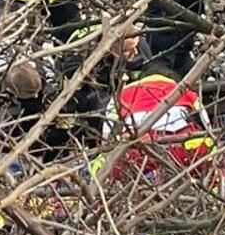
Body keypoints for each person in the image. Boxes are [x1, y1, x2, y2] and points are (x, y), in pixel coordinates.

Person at [14, 22, 146, 163]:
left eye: (135, 47)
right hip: (79, 94)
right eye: (128, 50)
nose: (136, 52)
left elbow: (143, 69)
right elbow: (70, 89)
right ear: (110, 47)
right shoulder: (79, 58)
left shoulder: (137, 43)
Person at [88, 60, 216, 184]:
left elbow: (107, 139)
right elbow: (207, 128)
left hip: (137, 152)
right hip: (183, 149)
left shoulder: (121, 94)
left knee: (100, 166)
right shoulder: (186, 91)